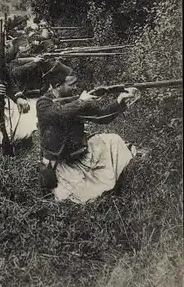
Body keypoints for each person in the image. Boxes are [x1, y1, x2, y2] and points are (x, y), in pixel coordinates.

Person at [36, 62, 141, 204]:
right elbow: (58, 114)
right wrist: (80, 102)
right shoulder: (43, 103)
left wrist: (119, 100)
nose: (75, 87)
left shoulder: (76, 100)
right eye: (71, 84)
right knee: (74, 198)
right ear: (57, 86)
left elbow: (102, 117)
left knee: (113, 140)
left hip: (80, 153)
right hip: (61, 162)